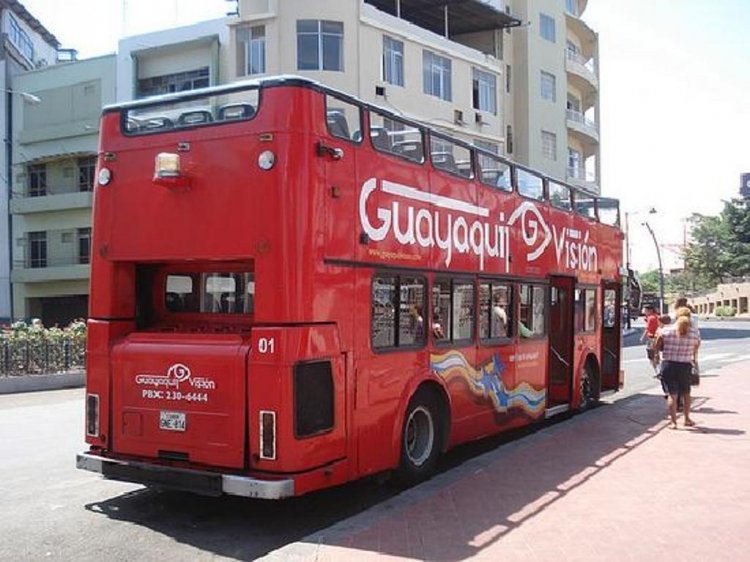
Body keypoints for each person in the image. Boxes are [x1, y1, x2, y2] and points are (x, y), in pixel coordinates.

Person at [654, 307, 700, 429]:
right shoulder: (694, 333)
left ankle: (674, 422)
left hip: (668, 365)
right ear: (689, 318)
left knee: (672, 395)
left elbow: (656, 346)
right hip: (685, 366)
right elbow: (696, 349)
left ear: (676, 317)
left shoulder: (666, 331)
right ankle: (687, 419)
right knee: (686, 393)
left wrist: (656, 356)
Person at [640, 304, 659, 374]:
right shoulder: (656, 317)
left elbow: (648, 329)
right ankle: (658, 370)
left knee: (651, 355)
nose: (643, 311)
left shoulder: (651, 318)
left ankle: (657, 371)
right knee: (655, 354)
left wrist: (643, 337)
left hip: (651, 338)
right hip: (656, 337)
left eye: (645, 310)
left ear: (650, 311)